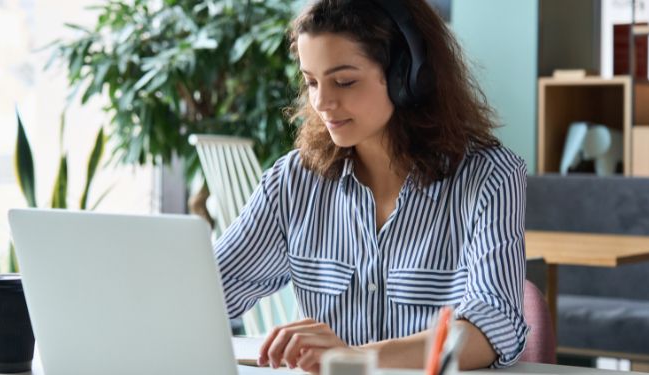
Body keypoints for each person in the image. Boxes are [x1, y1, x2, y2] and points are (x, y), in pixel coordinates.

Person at [214, 0, 528, 373]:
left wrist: (355, 359)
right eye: (312, 81)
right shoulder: (293, 183)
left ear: (407, 77)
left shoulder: (490, 177)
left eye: (344, 81)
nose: (322, 102)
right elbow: (209, 292)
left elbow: (495, 326)